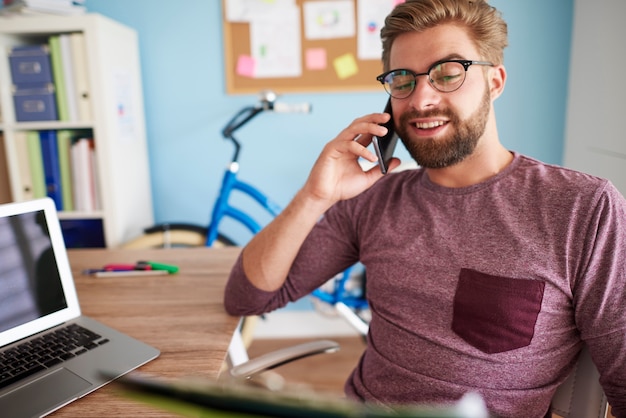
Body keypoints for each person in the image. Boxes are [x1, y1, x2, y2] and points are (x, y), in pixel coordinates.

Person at [223, 0, 626, 416]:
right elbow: (247, 296)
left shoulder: (583, 208)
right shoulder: (373, 200)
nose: (421, 99)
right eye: (402, 80)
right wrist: (314, 196)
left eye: (448, 74)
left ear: (495, 81)